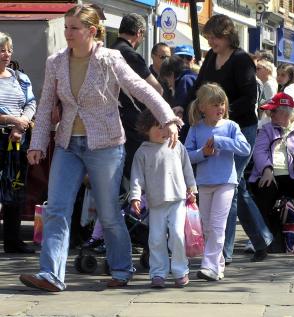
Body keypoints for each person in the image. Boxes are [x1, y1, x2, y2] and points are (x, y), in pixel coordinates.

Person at [19, 4, 181, 292]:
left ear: (92, 31)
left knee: (107, 214)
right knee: (56, 209)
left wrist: (167, 117)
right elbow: (45, 106)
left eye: (74, 28)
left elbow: (141, 89)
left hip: (105, 145)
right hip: (68, 143)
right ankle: (51, 275)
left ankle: (121, 268)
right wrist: (38, 143)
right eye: (66, 27)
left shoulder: (110, 58)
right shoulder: (55, 61)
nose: (67, 33)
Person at [188, 14, 273, 264]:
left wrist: (223, 115)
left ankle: (223, 252)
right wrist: (187, 109)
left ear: (227, 35)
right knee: (238, 186)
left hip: (239, 128)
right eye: (208, 37)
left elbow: (249, 98)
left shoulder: (241, 60)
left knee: (229, 186)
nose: (211, 41)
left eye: (214, 36)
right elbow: (199, 90)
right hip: (214, 127)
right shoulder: (211, 58)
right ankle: (261, 238)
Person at [185, 83, 250, 280]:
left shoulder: (231, 126)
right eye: (214, 104)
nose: (220, 108)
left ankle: (209, 266)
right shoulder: (196, 128)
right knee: (206, 226)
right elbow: (186, 155)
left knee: (218, 225)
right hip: (204, 182)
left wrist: (221, 141)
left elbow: (245, 148)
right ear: (202, 107)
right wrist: (202, 153)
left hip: (226, 182)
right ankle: (217, 263)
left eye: (222, 104)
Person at [130, 109, 196, 288]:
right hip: (156, 203)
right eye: (157, 127)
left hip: (177, 200)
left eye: (165, 127)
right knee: (156, 239)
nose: (163, 131)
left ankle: (180, 270)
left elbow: (187, 169)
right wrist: (135, 197)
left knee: (176, 235)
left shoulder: (177, 145)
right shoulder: (142, 152)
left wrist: (192, 189)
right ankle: (158, 273)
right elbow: (137, 178)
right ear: (146, 130)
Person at [249, 92, 294, 253]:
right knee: (262, 190)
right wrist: (266, 170)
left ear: (285, 112)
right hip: (272, 175)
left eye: (273, 111)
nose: (269, 114)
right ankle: (259, 236)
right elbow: (259, 152)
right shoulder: (266, 129)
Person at [111, 13, 164, 182]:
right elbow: (156, 89)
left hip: (109, 118)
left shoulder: (107, 50)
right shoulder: (130, 55)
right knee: (135, 170)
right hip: (131, 120)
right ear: (139, 33)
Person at [0, 32, 37, 253]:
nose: (7, 54)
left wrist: (20, 124)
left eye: (9, 50)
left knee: (15, 187)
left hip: (18, 139)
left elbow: (31, 103)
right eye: (2, 50)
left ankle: (13, 241)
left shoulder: (20, 78)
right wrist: (12, 120)